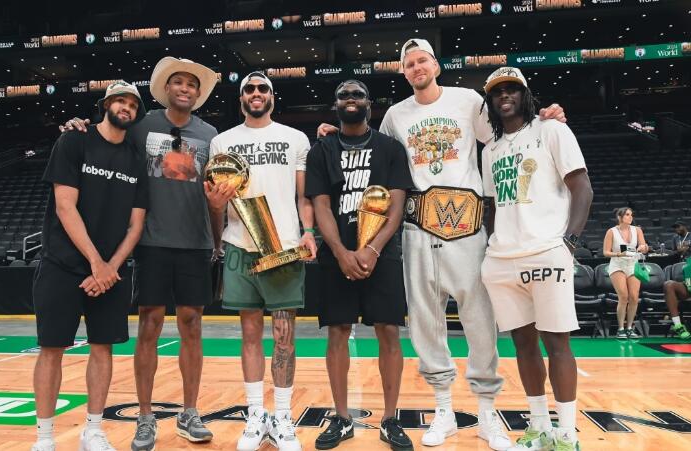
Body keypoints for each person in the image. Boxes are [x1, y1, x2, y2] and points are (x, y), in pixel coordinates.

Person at [319, 38, 565, 449]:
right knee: (426, 323)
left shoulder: (467, 100)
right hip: (418, 227)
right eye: (409, 63)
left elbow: (506, 132)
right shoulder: (396, 115)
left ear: (436, 65)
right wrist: (335, 134)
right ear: (403, 72)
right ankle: (444, 411)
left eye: (423, 61)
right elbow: (375, 152)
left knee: (479, 321)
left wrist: (543, 118)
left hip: (468, 226)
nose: (417, 68)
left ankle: (486, 414)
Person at [60, 57, 232, 451]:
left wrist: (217, 239)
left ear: (198, 93)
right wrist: (79, 126)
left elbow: (215, 193)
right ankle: (144, 416)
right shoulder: (141, 126)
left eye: (192, 84)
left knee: (192, 325)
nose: (185, 89)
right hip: (151, 241)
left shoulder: (211, 134)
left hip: (195, 242)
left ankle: (190, 413)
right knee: (149, 325)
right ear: (166, 88)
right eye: (178, 82)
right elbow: (106, 136)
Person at [479, 67, 593, 451]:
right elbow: (492, 206)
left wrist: (569, 243)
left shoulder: (552, 130)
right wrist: (493, 243)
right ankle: (539, 428)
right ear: (490, 102)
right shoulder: (489, 150)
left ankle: (567, 435)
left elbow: (582, 188)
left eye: (512, 89)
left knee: (557, 345)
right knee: (523, 346)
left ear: (525, 95)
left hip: (546, 252)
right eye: (497, 92)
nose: (504, 96)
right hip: (502, 258)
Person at [32, 81, 149, 451]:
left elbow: (136, 225)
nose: (126, 107)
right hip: (62, 264)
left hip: (110, 273)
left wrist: (109, 267)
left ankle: (93, 431)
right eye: (120, 100)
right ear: (105, 105)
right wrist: (96, 263)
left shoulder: (135, 158)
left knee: (103, 348)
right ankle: (44, 438)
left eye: (132, 104)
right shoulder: (74, 141)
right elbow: (65, 206)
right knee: (52, 349)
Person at [209, 71, 317, 451]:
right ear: (241, 98)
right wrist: (215, 209)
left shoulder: (295, 138)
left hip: (283, 246)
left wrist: (308, 230)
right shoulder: (222, 141)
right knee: (250, 333)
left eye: (262, 89)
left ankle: (283, 416)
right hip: (240, 244)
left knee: (284, 336)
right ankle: (256, 415)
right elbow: (216, 199)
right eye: (249, 89)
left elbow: (304, 196)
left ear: (272, 96)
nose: (256, 94)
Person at [306, 80, 414, 450]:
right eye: (343, 95)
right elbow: (321, 205)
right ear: (335, 104)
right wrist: (340, 251)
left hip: (382, 255)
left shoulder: (390, 148)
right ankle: (341, 417)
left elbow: (396, 205)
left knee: (389, 331)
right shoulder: (322, 149)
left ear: (369, 103)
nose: (350, 99)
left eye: (357, 95)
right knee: (338, 332)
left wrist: (373, 249)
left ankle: (390, 418)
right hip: (336, 255)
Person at [602, 207, 649, 339]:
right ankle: (620, 328)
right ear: (620, 217)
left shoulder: (637, 230)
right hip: (617, 264)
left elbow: (645, 247)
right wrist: (619, 254)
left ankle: (629, 327)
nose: (630, 217)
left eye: (631, 215)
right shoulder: (611, 231)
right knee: (623, 296)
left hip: (633, 264)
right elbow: (606, 252)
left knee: (634, 297)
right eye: (627, 215)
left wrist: (643, 247)